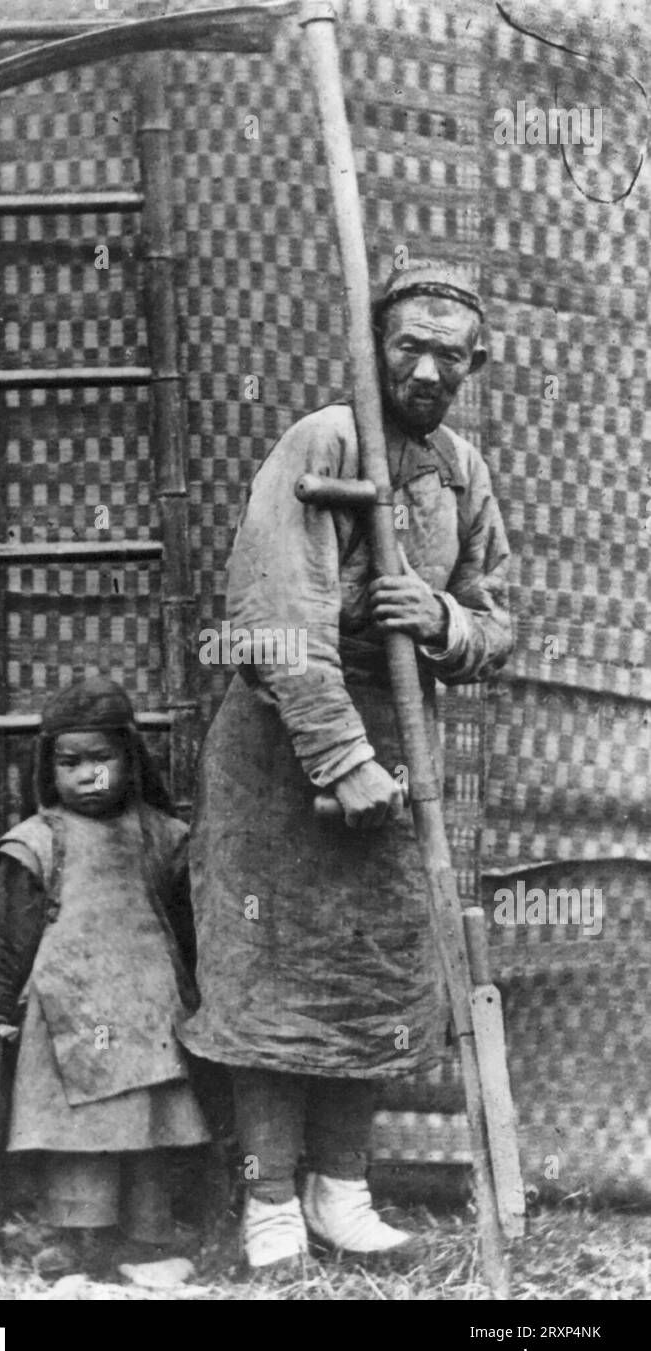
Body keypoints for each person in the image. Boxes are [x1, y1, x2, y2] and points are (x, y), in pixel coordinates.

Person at [178, 260, 513, 1270]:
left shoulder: (460, 469)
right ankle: (269, 1199)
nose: (424, 366)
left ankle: (340, 1190)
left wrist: (441, 616)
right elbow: (272, 617)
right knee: (269, 971)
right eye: (406, 343)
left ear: (471, 364)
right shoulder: (323, 439)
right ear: (373, 344)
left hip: (403, 737)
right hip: (286, 744)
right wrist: (338, 755)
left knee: (370, 968)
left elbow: (499, 621)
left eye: (446, 353)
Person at [0, 676, 210, 1275]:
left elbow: (194, 928)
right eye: (71, 761)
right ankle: (77, 1245)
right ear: (49, 766)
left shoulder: (163, 837)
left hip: (149, 1018)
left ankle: (148, 1242)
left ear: (131, 759)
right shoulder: (36, 843)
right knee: (79, 1140)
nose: (89, 775)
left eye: (103, 758)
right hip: (63, 1017)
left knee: (147, 1131)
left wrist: (205, 1001)